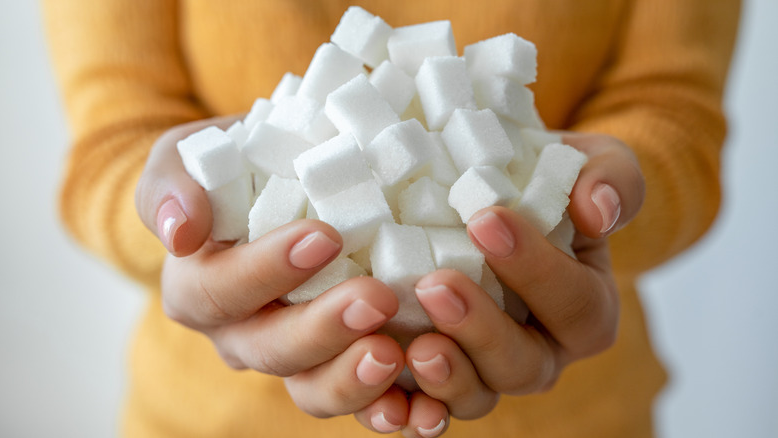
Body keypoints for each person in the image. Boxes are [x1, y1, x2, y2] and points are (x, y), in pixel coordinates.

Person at [43, 1, 740, 437]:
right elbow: (110, 148)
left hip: (579, 418)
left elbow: (675, 116)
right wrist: (188, 233)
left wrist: (592, 220)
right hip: (209, 421)